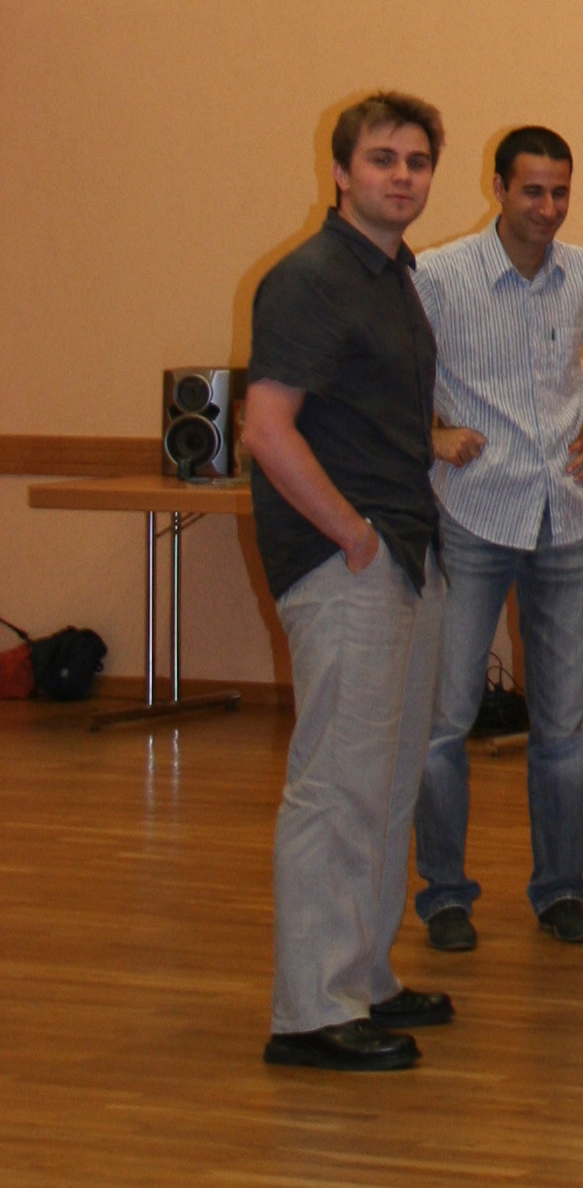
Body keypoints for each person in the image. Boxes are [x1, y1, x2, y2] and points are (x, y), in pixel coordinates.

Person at [244, 92, 453, 1073]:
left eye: (417, 161)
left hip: (405, 550)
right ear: (340, 172)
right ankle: (311, 1013)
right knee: (336, 788)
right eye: (382, 159)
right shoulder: (311, 279)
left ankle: (363, 977)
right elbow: (266, 429)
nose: (401, 176)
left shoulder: (394, 275)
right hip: (346, 563)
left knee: (384, 782)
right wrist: (351, 535)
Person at [411, 127, 583, 950]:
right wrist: (431, 433)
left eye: (560, 192)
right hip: (473, 514)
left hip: (564, 518)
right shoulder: (439, 276)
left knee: (562, 727)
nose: (548, 208)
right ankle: (445, 896)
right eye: (532, 191)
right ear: (499, 188)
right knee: (445, 724)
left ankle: (561, 892)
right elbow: (386, 367)